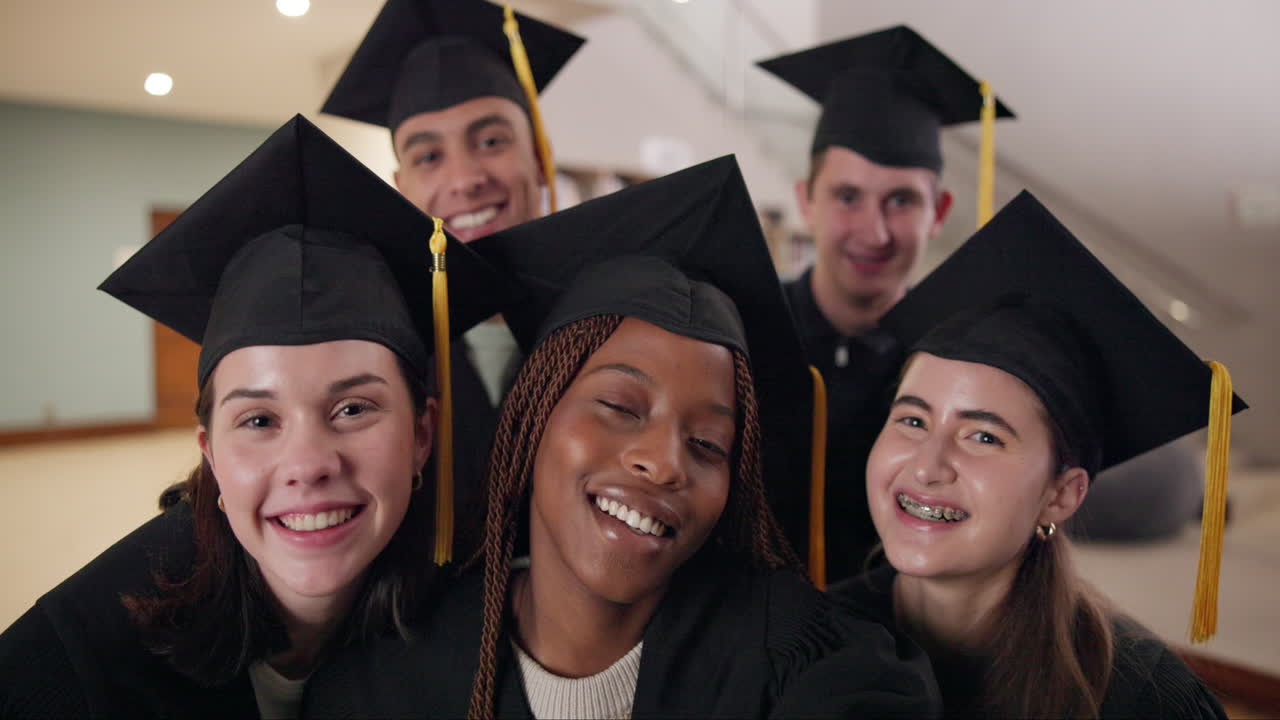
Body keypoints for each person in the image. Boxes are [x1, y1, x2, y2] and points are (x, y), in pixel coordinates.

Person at [304, 157, 941, 719]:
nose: (664, 463)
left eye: (708, 444)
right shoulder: (386, 679)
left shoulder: (806, 666)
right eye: (619, 405)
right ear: (532, 413)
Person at [0, 115, 510, 718]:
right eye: (259, 420)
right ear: (209, 451)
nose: (309, 464)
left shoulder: (467, 619)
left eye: (352, 409)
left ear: (423, 435)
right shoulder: (70, 669)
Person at [830, 191, 1243, 718]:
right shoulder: (805, 638)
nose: (926, 466)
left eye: (983, 436)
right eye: (912, 420)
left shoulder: (1144, 701)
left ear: (1061, 495)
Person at [322, 0, 585, 553]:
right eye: (428, 157)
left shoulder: (613, 320)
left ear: (539, 157)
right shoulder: (377, 350)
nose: (465, 179)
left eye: (491, 141)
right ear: (402, 187)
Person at [757, 26, 1015, 580]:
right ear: (807, 201)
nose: (873, 233)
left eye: (901, 201)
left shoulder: (966, 365)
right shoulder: (745, 328)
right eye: (847, 197)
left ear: (939, 212)